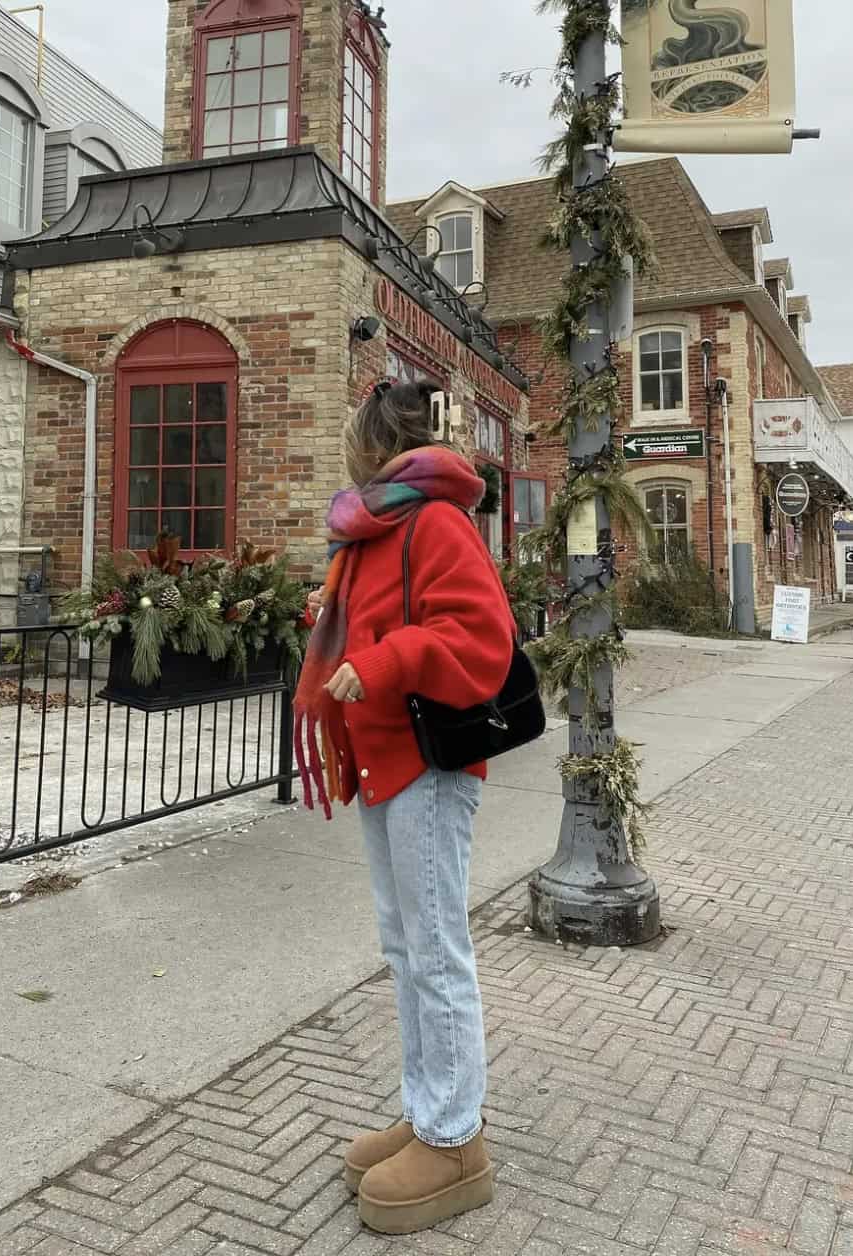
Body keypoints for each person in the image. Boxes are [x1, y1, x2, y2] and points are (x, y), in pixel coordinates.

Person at [294, 379, 514, 1235]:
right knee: (406, 945)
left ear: (371, 448)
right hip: (383, 761)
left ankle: (456, 1139)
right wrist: (332, 620)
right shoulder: (371, 529)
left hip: (427, 761)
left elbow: (483, 637)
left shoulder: (434, 521)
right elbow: (384, 617)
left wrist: (379, 662)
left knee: (434, 948)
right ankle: (427, 1111)